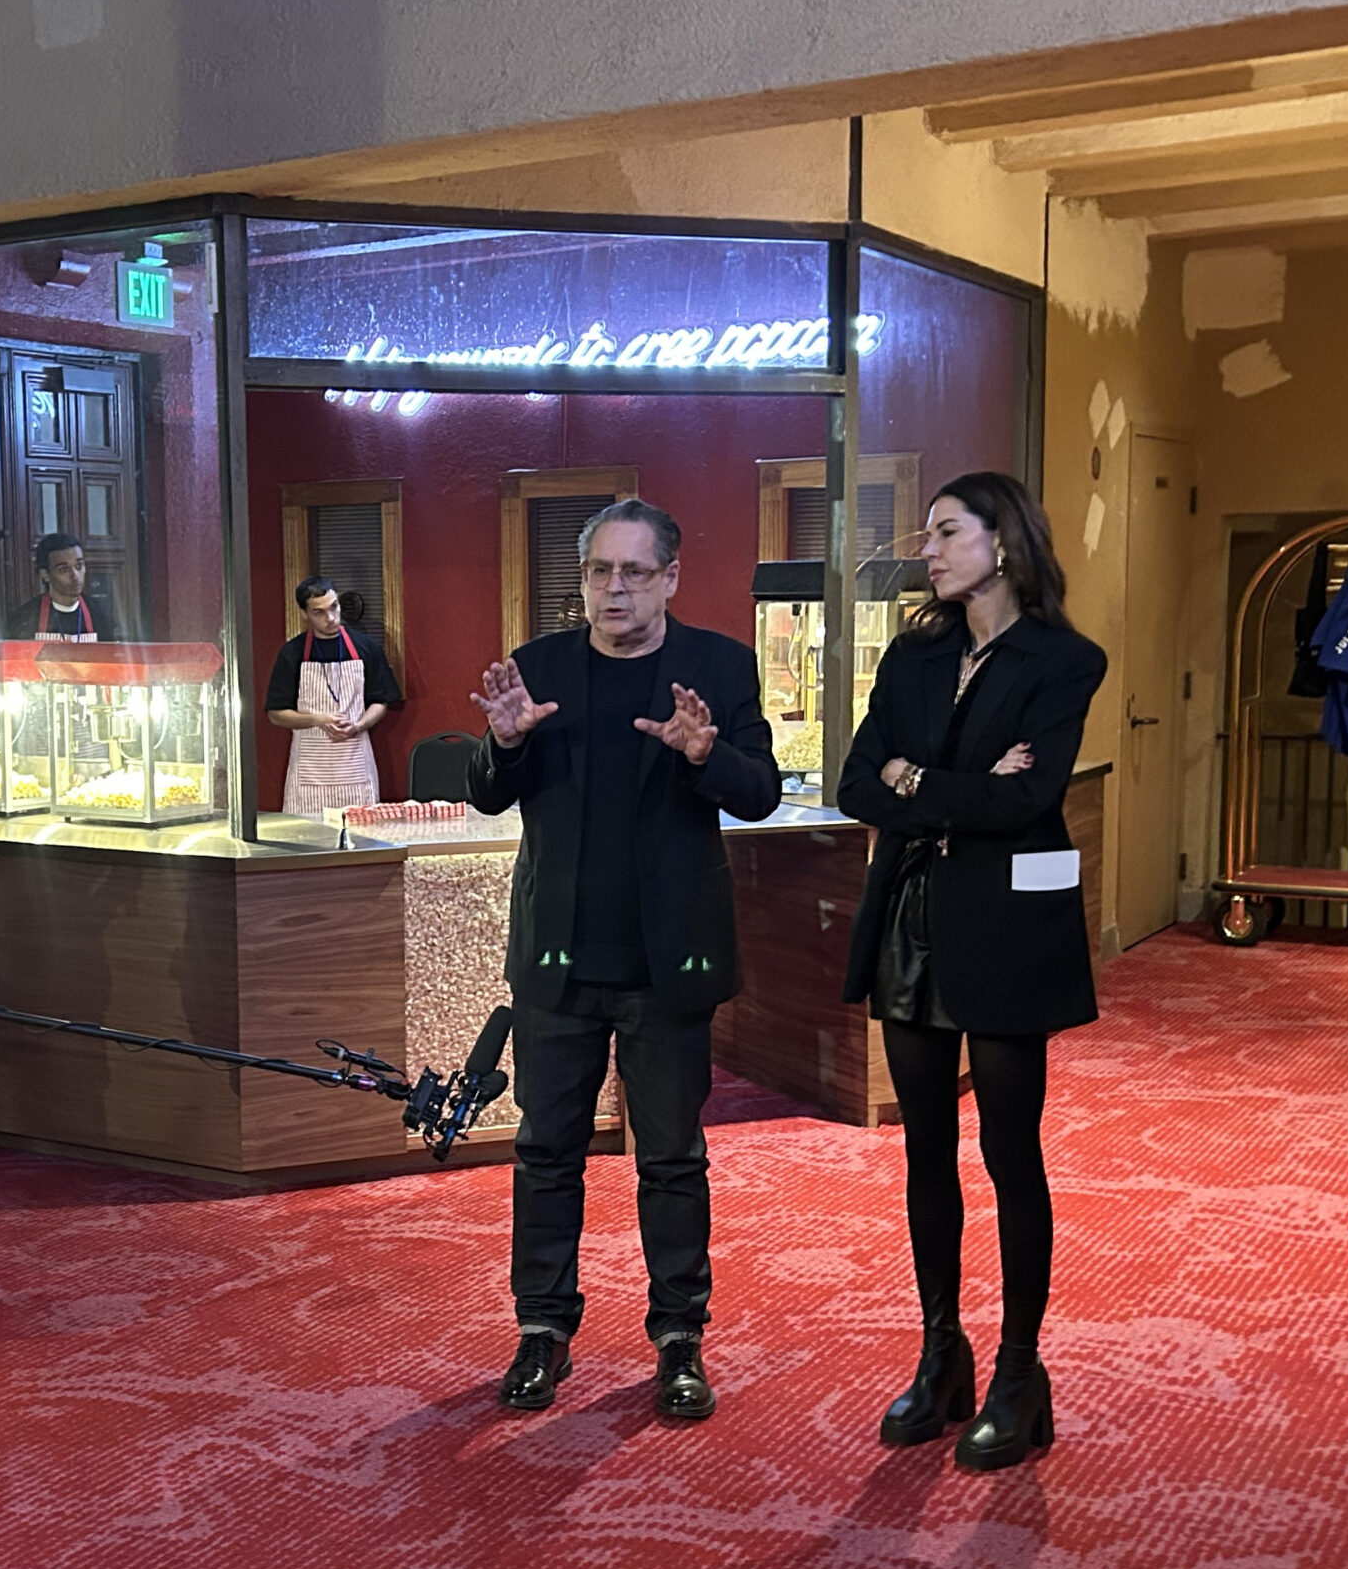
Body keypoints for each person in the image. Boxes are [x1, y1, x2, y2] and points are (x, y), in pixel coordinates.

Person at [467, 498, 780, 1419]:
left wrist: (705, 751)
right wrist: (505, 740)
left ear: (670, 579)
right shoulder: (539, 667)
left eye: (633, 572)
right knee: (545, 1150)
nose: (613, 588)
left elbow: (759, 793)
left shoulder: (717, 667)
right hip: (558, 962)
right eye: (599, 571)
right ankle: (543, 1332)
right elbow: (488, 796)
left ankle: (679, 1337)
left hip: (667, 959)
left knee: (673, 1159)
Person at [835, 471, 1107, 1473]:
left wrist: (919, 780)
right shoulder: (913, 654)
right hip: (911, 915)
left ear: (1003, 543)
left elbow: (1025, 799)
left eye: (948, 531)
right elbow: (856, 778)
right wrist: (935, 785)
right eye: (929, 532)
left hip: (1006, 928)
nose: (929, 547)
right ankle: (939, 1352)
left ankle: (1019, 1371)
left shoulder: (1063, 660)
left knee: (1009, 1153)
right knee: (923, 1154)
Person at [266, 577, 404, 813]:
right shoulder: (292, 653)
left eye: (334, 607)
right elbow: (276, 714)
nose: (330, 618)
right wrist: (318, 720)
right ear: (305, 614)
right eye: (319, 612)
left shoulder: (366, 648)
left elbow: (380, 701)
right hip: (310, 772)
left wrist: (359, 725)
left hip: (355, 765)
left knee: (362, 840)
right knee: (310, 842)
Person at [5, 533, 121, 642]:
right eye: (64, 570)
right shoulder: (25, 619)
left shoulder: (99, 614)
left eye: (79, 566)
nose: (75, 576)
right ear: (46, 575)